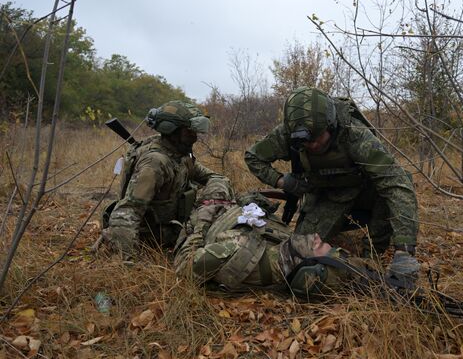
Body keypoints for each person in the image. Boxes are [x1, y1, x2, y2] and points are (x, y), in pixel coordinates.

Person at [244, 87, 420, 285]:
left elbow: (397, 183)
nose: (313, 146)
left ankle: (371, 254)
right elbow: (253, 157)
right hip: (326, 195)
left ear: (331, 124)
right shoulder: (289, 132)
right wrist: (282, 181)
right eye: (307, 142)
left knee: (391, 189)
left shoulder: (354, 134)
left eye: (318, 138)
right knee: (298, 254)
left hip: (362, 192)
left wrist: (405, 251)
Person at [102, 100, 232, 261]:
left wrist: (211, 202)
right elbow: (126, 212)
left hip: (173, 227)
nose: (195, 138)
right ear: (172, 131)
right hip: (152, 237)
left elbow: (216, 177)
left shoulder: (179, 155)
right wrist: (128, 262)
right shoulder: (155, 163)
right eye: (189, 132)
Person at [174, 191, 370, 295]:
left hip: (204, 211)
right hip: (229, 205)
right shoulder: (286, 253)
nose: (316, 238)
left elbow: (186, 266)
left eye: (317, 246)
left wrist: (200, 225)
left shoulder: (241, 254)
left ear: (304, 264)